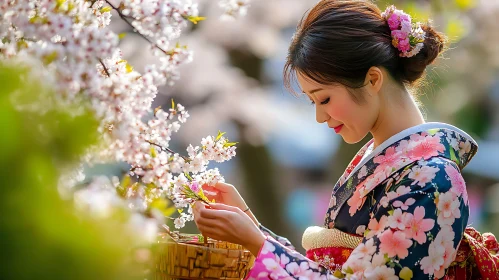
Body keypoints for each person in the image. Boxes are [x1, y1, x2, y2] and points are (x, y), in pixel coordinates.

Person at [193, 1, 499, 279]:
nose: (320, 117)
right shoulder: (382, 159)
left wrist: (257, 242)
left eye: (324, 99)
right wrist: (251, 227)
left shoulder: (432, 180)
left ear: (373, 79)